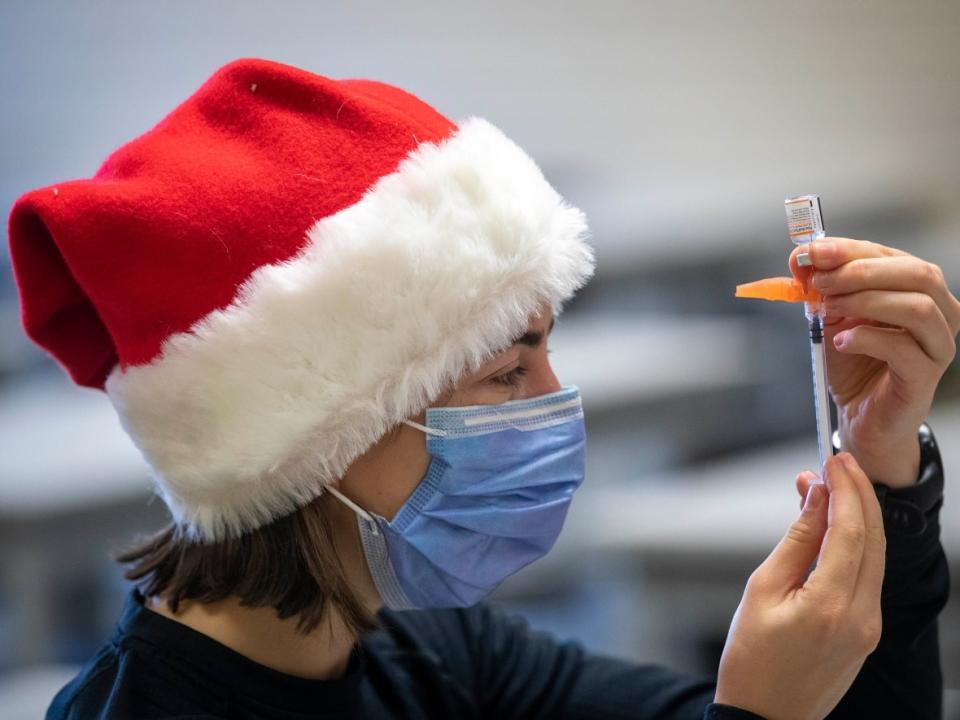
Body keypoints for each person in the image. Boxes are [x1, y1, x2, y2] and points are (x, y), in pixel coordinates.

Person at [7, 57, 957, 720]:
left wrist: (878, 457)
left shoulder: (434, 658)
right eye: (508, 371)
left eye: (544, 354)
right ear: (317, 432)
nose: (557, 400)